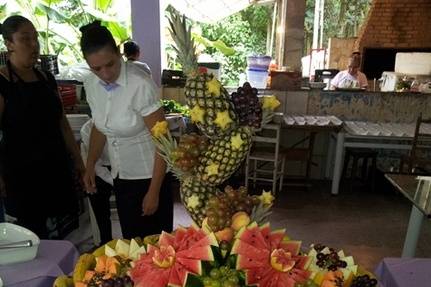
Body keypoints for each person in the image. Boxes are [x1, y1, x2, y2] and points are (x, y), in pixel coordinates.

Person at [80, 21, 173, 239]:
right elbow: (100, 127)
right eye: (96, 68)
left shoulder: (140, 84)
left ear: (119, 53)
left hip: (151, 176)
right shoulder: (91, 85)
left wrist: (153, 192)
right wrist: (90, 164)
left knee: (158, 248)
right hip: (121, 175)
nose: (105, 73)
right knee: (132, 244)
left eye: (110, 64)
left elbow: (164, 143)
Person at [0, 15, 84, 238]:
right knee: (32, 234)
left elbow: (63, 124)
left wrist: (79, 161)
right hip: (21, 174)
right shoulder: (2, 82)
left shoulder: (46, 78)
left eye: (35, 39)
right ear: (9, 44)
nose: (33, 45)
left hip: (55, 166)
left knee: (62, 234)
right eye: (25, 39)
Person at [80, 119, 113, 245]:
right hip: (100, 170)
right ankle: (106, 240)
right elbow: (94, 164)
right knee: (95, 193)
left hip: (124, 169)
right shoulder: (87, 129)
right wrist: (115, 182)